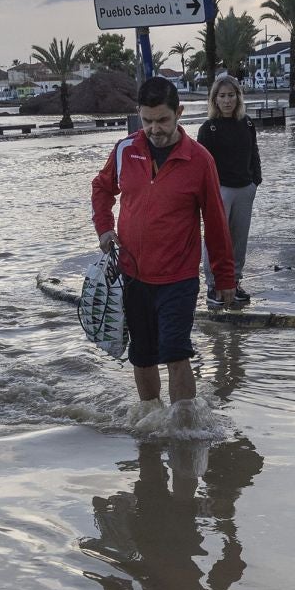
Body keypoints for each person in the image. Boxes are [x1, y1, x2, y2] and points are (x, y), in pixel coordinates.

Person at [91, 76, 238, 408]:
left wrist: (225, 277)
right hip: (132, 274)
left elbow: (216, 223)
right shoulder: (125, 150)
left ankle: (185, 427)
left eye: (162, 120)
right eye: (147, 121)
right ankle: (152, 422)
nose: (154, 129)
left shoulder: (200, 161)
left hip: (179, 278)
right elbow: (101, 189)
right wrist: (104, 227)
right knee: (142, 355)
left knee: (175, 351)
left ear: (179, 113)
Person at [194, 74, 262, 306]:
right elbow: (200, 165)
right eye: (222, 96)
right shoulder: (208, 129)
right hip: (219, 191)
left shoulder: (248, 123)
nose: (227, 101)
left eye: (231, 95)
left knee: (238, 240)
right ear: (214, 100)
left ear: (238, 97)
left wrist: (256, 181)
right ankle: (214, 286)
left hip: (245, 189)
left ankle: (234, 281)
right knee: (215, 240)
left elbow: (254, 153)